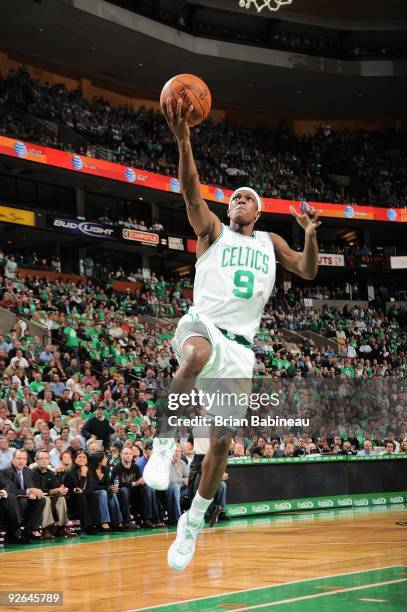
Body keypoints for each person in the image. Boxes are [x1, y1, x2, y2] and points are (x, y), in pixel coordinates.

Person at [143, 98, 320, 570]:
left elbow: (306, 270)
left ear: (259, 212)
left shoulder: (269, 242)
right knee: (194, 355)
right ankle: (163, 445)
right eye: (235, 197)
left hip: (241, 350)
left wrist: (310, 234)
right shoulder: (212, 233)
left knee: (221, 444)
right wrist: (184, 140)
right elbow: (190, 193)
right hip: (203, 325)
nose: (239, 201)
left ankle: (193, 523)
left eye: (248, 198)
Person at [1, 449, 46, 543]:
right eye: (18, 458)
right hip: (8, 501)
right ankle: (14, 532)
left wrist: (32, 493)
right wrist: (28, 491)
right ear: (13, 459)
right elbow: (10, 490)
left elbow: (31, 486)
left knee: (41, 500)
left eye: (24, 459)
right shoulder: (5, 471)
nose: (21, 461)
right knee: (22, 500)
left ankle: (28, 531)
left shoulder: (28, 471)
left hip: (21, 499)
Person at [31, 450, 76, 539]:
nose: (44, 460)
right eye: (41, 458)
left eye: (46, 458)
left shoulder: (50, 473)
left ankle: (62, 527)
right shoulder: (32, 472)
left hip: (49, 499)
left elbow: (57, 487)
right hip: (36, 501)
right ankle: (46, 529)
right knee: (46, 498)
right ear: (36, 460)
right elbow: (37, 489)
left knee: (61, 498)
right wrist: (53, 491)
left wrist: (62, 489)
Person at [63, 449, 99, 534]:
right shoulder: (70, 471)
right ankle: (87, 526)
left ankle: (95, 523)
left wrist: (83, 491)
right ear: (75, 459)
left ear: (87, 460)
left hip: (83, 494)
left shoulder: (88, 470)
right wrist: (83, 476)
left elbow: (91, 487)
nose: (82, 459)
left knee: (94, 495)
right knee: (81, 496)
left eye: (84, 457)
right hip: (71, 497)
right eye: (79, 457)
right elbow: (78, 488)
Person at [88, 452, 124, 532]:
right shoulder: (90, 470)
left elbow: (108, 483)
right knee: (103, 492)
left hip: (103, 492)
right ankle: (104, 521)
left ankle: (118, 521)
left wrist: (111, 487)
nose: (106, 459)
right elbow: (93, 486)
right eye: (104, 458)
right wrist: (107, 488)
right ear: (99, 461)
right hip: (92, 493)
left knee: (113, 494)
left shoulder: (106, 469)